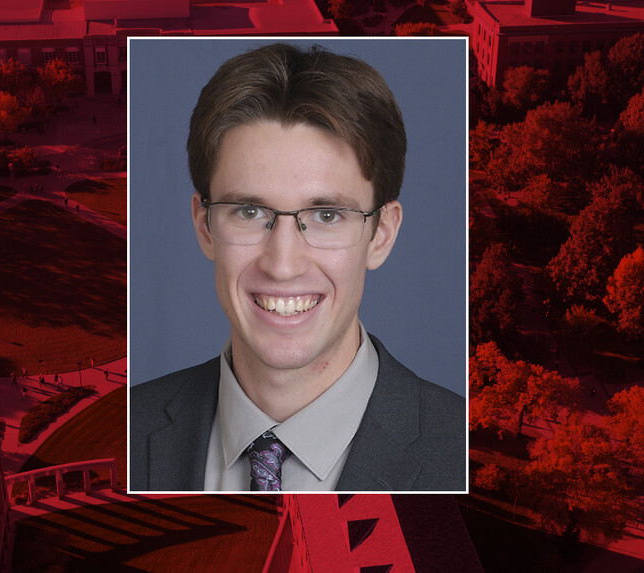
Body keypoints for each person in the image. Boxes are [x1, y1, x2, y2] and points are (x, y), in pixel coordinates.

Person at [130, 43, 465, 492]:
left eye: (327, 215)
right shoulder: (127, 430)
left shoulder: (463, 452)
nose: (283, 265)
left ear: (381, 234)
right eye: (249, 212)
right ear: (205, 226)